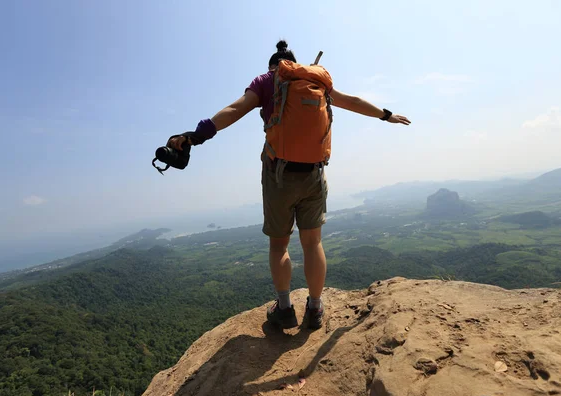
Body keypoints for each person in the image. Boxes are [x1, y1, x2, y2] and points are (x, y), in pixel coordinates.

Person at [167, 40, 411, 330]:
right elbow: (353, 102)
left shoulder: (266, 81)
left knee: (279, 244)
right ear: (295, 64)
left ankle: (284, 309)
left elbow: (235, 109)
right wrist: (386, 115)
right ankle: (316, 309)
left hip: (279, 174)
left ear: (273, 65)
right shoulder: (316, 80)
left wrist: (196, 136)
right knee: (313, 242)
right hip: (314, 173)